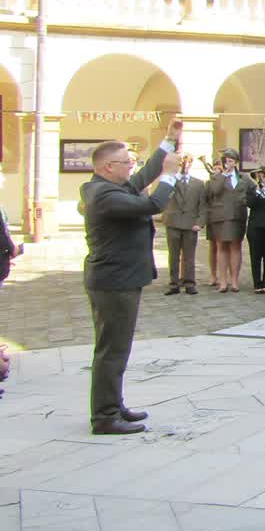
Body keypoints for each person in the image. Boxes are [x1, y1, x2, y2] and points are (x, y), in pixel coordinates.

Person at [81, 116, 183, 435]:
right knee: (112, 349)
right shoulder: (105, 196)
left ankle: (114, 405)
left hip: (118, 278)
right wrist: (170, 175)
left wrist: (168, 140)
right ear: (108, 167)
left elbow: (142, 177)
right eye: (126, 162)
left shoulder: (109, 186)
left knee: (115, 348)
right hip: (114, 281)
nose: (131, 166)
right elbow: (153, 203)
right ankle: (105, 416)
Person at [161, 154, 206, 295]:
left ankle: (189, 283)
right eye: (181, 164)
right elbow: (163, 197)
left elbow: (203, 205)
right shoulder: (171, 181)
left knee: (189, 256)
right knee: (173, 255)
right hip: (173, 222)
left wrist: (200, 222)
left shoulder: (198, 183)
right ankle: (174, 283)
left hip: (190, 223)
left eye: (187, 164)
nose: (184, 167)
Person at [205, 148, 248, 293]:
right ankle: (222, 281)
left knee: (236, 247)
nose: (228, 163)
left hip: (237, 216)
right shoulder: (217, 177)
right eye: (226, 161)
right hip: (221, 217)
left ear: (236, 162)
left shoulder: (242, 177)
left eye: (231, 161)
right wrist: (224, 175)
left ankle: (234, 280)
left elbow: (252, 191)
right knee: (222, 246)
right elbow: (215, 190)